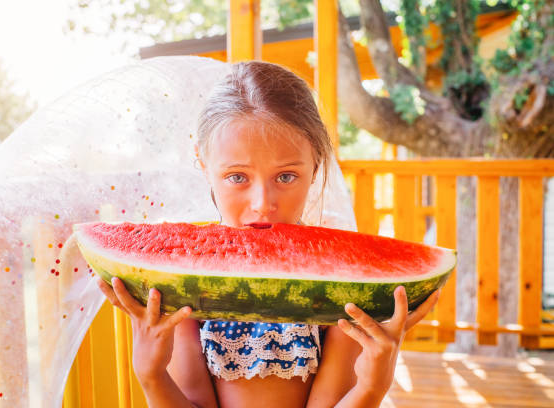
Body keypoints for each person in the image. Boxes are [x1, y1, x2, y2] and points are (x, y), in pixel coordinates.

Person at [96, 60, 440, 408]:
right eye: (237, 177)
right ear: (204, 166)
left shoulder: (341, 284)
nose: (262, 205)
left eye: (286, 176)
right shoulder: (184, 278)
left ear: (316, 164)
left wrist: (372, 386)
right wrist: (151, 375)